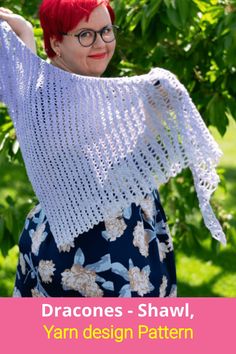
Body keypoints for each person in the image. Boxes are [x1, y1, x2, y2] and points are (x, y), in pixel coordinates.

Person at [0, 0, 225, 298]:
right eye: (85, 34)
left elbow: (119, 167)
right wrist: (25, 36)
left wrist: (151, 115)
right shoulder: (44, 100)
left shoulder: (82, 93)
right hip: (91, 254)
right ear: (55, 41)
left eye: (106, 30)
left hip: (134, 235)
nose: (101, 43)